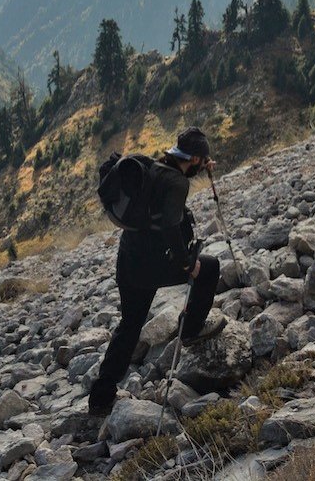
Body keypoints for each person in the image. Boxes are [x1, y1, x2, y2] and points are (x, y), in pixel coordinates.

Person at [88, 127, 226, 416]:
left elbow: (165, 197)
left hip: (128, 262)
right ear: (195, 159)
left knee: (129, 325)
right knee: (209, 268)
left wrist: (201, 166)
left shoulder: (155, 168)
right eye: (203, 161)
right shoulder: (177, 184)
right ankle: (191, 331)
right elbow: (169, 227)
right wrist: (188, 264)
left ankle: (101, 396)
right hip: (154, 264)